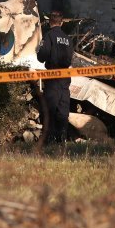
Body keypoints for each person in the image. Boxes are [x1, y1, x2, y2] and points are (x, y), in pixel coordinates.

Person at [36, 10, 74, 144]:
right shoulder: (68, 39)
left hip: (52, 77)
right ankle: (61, 140)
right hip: (65, 78)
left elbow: (41, 57)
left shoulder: (49, 36)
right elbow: (70, 59)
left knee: (50, 110)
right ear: (62, 23)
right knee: (63, 111)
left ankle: (49, 141)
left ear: (50, 22)